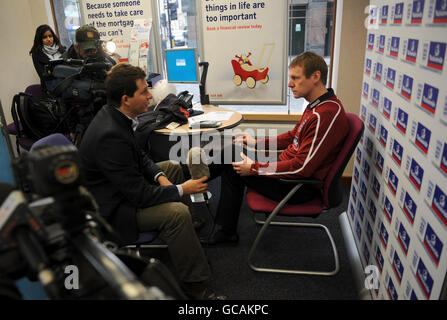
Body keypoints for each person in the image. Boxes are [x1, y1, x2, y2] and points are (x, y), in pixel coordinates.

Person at [78, 63, 225, 300]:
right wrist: (180, 190)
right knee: (176, 213)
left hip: (122, 191)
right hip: (114, 211)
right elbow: (138, 195)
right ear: (126, 99)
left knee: (171, 168)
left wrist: (162, 177)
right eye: (143, 92)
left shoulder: (116, 116)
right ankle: (196, 287)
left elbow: (139, 156)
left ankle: (185, 243)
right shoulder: (110, 135)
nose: (150, 96)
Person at [205, 51, 350, 245]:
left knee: (232, 163)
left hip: (297, 187)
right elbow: (293, 137)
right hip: (286, 173)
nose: (290, 84)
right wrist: (257, 143)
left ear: (315, 77)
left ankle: (187, 183)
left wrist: (255, 168)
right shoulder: (317, 107)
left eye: (295, 78)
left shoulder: (325, 114)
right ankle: (197, 191)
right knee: (232, 157)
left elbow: (301, 168)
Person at [29, 24, 65, 97]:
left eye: (50, 36)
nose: (48, 39)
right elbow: (42, 75)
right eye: (44, 37)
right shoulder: (36, 54)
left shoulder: (62, 49)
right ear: (40, 39)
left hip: (66, 86)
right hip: (50, 91)